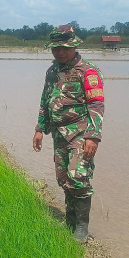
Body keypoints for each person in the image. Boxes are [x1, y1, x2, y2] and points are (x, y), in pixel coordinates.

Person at [32, 24, 104, 241]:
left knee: (78, 177)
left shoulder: (88, 72)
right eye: (56, 48)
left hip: (81, 134)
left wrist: (93, 136)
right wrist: (39, 129)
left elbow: (97, 105)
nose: (60, 52)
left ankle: (81, 227)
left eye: (64, 48)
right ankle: (70, 221)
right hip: (59, 135)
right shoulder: (52, 71)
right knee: (64, 178)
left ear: (73, 46)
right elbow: (46, 101)